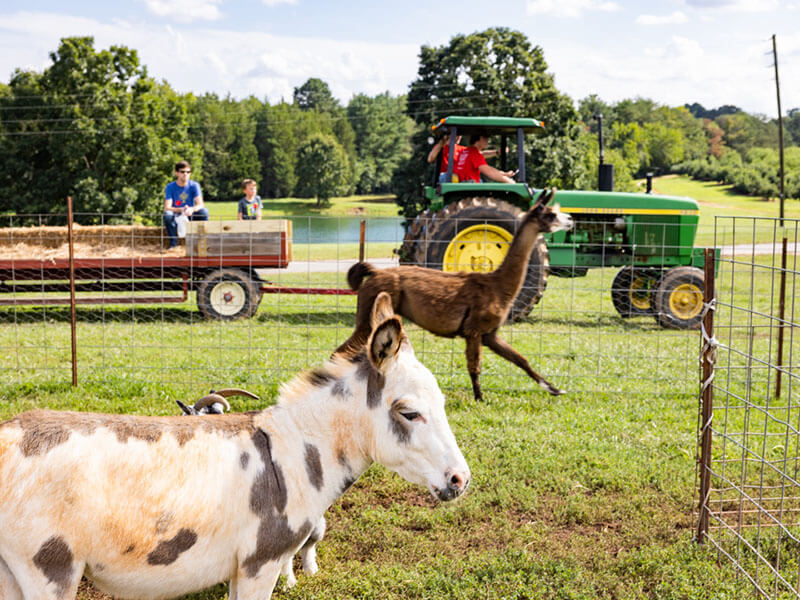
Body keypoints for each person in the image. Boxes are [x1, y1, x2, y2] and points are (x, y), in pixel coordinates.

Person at [163, 160, 209, 248]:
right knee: (167, 215)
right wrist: (181, 209)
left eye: (188, 172)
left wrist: (191, 209)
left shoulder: (194, 185)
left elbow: (200, 204)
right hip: (176, 214)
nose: (185, 174)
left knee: (204, 212)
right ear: (176, 173)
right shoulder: (170, 187)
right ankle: (174, 244)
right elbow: (167, 207)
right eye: (182, 172)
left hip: (190, 213)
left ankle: (201, 242)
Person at [429, 134, 505, 182]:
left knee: (479, 182)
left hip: (461, 178)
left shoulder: (462, 149)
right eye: (457, 135)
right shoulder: (442, 147)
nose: (459, 137)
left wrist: (496, 152)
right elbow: (430, 159)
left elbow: (478, 155)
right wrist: (441, 143)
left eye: (460, 135)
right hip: (449, 178)